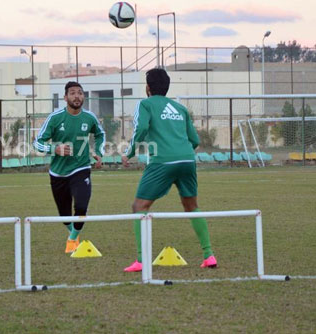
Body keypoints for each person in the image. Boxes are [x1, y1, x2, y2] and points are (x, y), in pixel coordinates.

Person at [122, 68, 216, 272]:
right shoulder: (179, 108)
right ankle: (209, 255)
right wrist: (182, 155)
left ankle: (140, 260)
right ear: (167, 87)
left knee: (139, 207)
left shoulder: (145, 104)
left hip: (162, 161)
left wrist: (129, 153)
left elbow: (142, 128)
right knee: (192, 206)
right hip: (188, 160)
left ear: (147, 88)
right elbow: (195, 140)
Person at [34, 81, 105, 253]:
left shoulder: (89, 117)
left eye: (80, 93)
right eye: (72, 93)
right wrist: (55, 149)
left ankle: (72, 239)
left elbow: (100, 134)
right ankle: (73, 233)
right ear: (65, 97)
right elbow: (37, 143)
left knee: (81, 206)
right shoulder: (55, 118)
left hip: (81, 167)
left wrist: (98, 151)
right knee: (65, 215)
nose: (77, 96)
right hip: (58, 172)